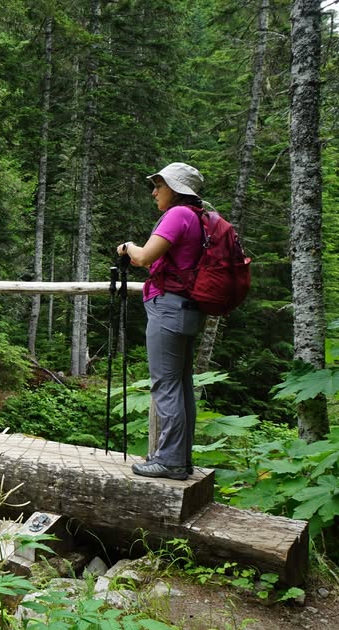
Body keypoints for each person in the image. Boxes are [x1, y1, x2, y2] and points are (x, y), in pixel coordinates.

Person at [116, 162, 207, 480]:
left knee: (165, 385)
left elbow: (143, 257)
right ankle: (180, 459)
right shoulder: (199, 217)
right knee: (181, 384)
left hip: (168, 309)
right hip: (189, 309)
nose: (154, 192)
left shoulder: (178, 214)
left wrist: (128, 247)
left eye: (159, 186)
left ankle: (170, 461)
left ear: (177, 189)